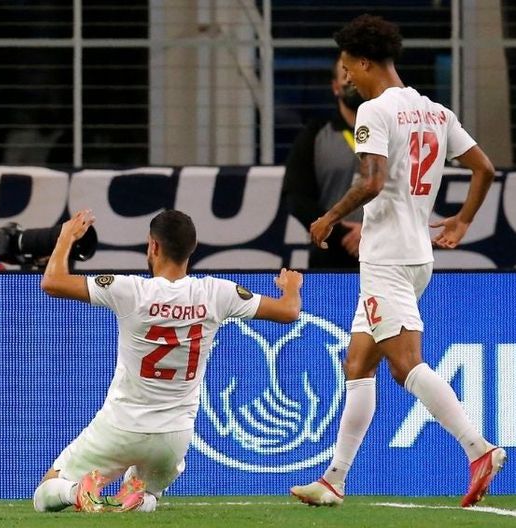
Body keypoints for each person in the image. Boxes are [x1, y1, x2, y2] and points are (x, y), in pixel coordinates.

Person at [291, 14, 504, 508]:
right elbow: (484, 169)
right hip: (415, 256)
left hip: (386, 257)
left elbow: (372, 181)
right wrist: (462, 221)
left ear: (365, 63)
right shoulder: (435, 111)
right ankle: (334, 480)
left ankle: (478, 448)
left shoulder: (375, 110)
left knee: (406, 365)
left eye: (348, 67)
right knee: (358, 363)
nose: (346, 76)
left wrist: (329, 217)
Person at [32, 208, 304, 513]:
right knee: (146, 493)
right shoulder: (218, 293)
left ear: (153, 246)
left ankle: (76, 490)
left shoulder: (130, 291)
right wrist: (292, 287)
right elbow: (289, 311)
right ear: (192, 247)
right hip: (173, 436)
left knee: (46, 493)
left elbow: (53, 281)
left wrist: (67, 237)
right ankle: (141, 498)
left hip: (121, 426)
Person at [283, 57, 365, 268]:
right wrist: (338, 231)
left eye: (358, 74)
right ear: (335, 86)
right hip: (331, 256)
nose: (352, 81)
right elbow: (296, 196)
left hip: (386, 255)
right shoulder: (315, 134)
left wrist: (371, 232)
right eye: (345, 76)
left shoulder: (394, 133)